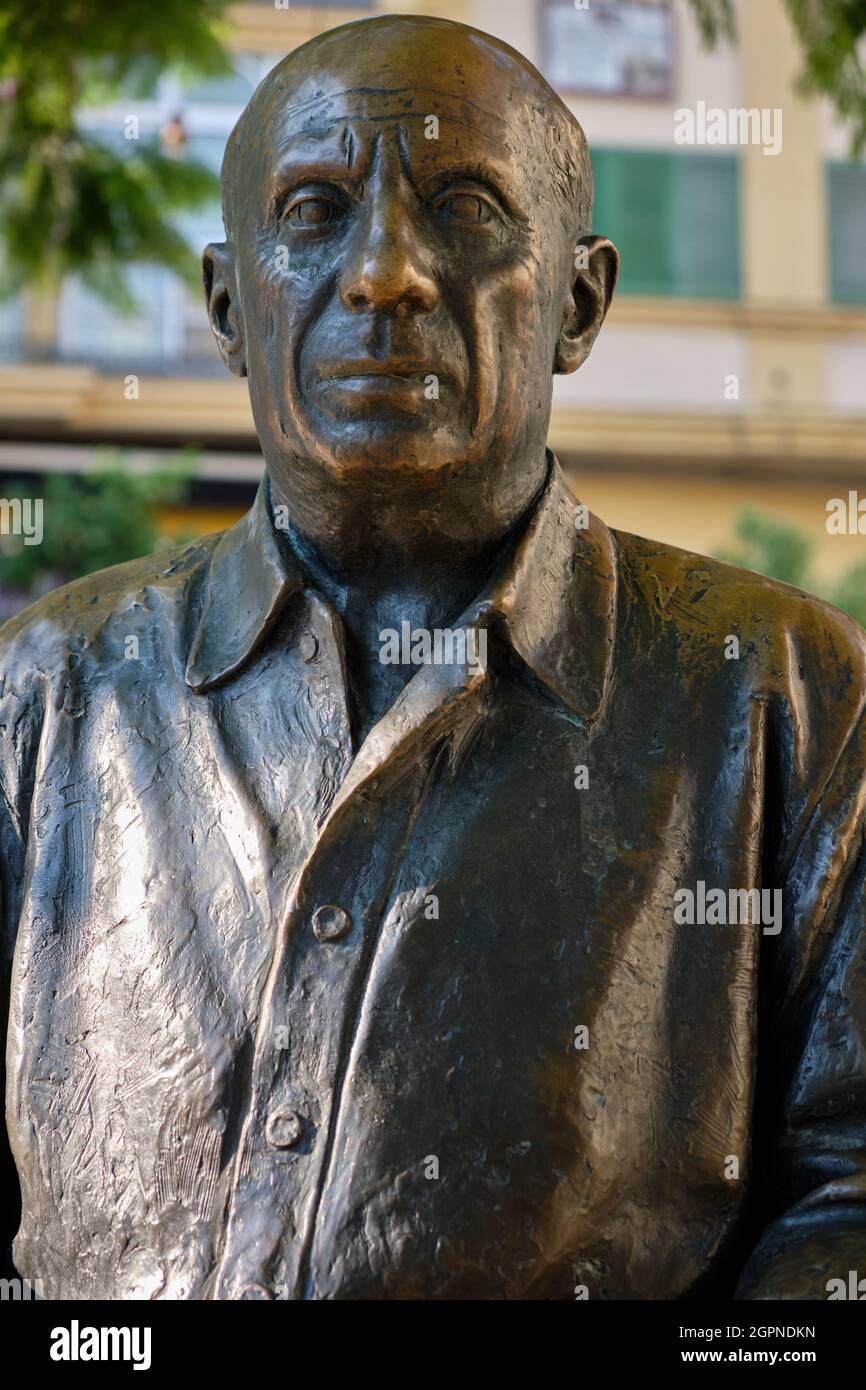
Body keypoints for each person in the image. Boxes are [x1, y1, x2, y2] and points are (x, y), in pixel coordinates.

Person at [2, 15, 865, 1300]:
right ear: (230, 305)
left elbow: (844, 1187)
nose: (384, 275)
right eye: (312, 210)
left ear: (579, 300)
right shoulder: (48, 693)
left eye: (464, 209)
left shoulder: (780, 696)